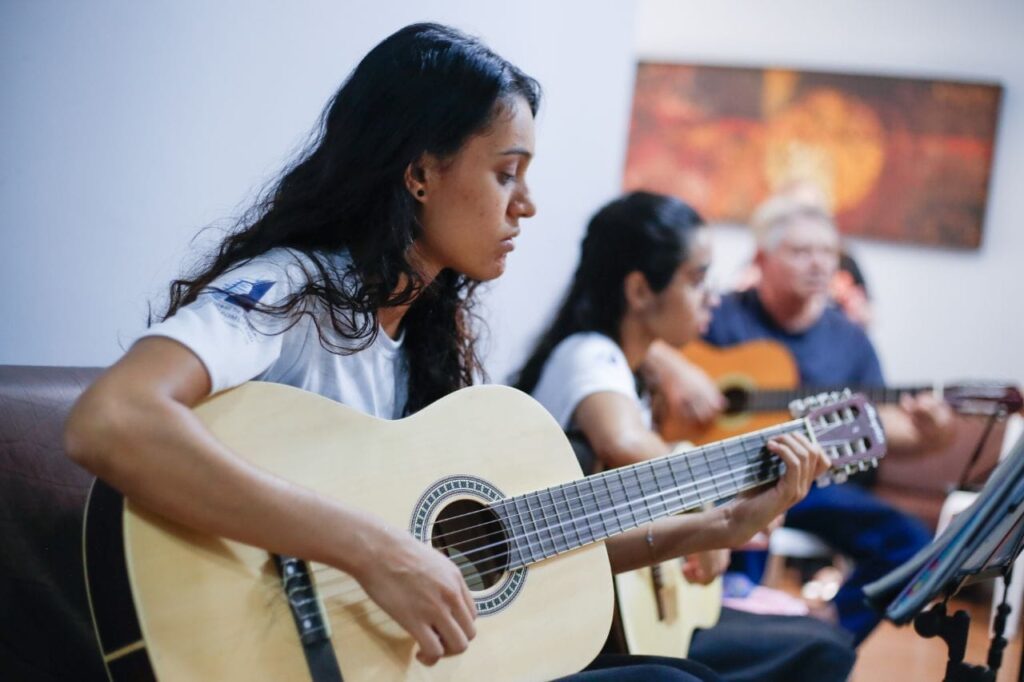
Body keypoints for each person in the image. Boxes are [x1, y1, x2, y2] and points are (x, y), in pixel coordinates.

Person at [61, 22, 746, 682]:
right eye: (508, 174)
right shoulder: (291, 291)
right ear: (420, 173)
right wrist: (368, 549)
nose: (527, 206)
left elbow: (517, 550)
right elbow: (113, 419)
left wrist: (706, 528)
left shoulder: (428, 340)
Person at [514, 191, 853, 681]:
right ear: (638, 291)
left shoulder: (637, 370)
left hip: (637, 607)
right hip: (569, 621)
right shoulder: (587, 353)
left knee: (827, 645)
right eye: (696, 280)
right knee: (816, 654)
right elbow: (623, 443)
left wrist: (732, 518)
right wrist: (710, 512)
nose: (711, 297)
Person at [647, 186, 955, 645]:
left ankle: (823, 638)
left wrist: (932, 435)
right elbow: (642, 340)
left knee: (910, 542)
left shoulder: (850, 340)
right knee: (742, 511)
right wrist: (680, 370)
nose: (819, 263)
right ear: (763, 257)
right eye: (801, 251)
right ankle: (730, 641)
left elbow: (880, 425)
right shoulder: (718, 314)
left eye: (828, 251)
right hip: (728, 479)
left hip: (817, 484)